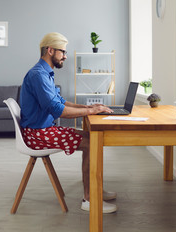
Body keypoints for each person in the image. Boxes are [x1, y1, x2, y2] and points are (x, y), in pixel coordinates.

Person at [19, 32, 117, 213]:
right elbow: (58, 111)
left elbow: (61, 102)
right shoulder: (38, 75)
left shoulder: (45, 73)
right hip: (36, 135)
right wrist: (90, 111)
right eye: (62, 52)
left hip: (42, 130)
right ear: (50, 50)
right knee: (90, 142)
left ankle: (94, 189)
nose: (65, 56)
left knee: (91, 138)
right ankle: (89, 198)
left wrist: (89, 106)